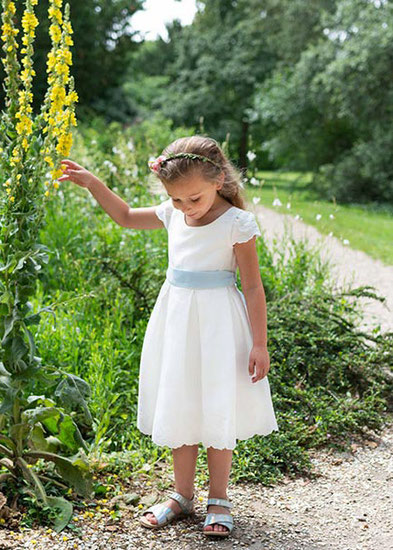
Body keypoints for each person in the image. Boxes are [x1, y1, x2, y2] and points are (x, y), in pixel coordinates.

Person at [59, 134, 279, 538]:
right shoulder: (173, 213)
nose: (185, 208)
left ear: (218, 180)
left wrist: (259, 343)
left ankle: (218, 496)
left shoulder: (236, 224)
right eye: (177, 200)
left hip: (219, 327)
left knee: (216, 402)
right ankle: (181, 495)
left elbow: (252, 287)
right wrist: (92, 183)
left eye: (193, 199)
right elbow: (125, 216)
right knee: (180, 401)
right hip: (176, 321)